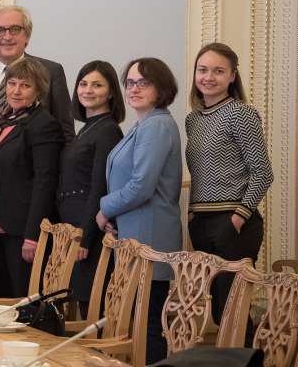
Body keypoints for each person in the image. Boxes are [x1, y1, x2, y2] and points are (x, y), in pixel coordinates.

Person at [97, 58, 182, 364]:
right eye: (130, 83)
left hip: (150, 236)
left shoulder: (157, 125)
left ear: (161, 87)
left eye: (143, 83)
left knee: (148, 327)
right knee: (140, 323)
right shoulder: (144, 124)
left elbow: (141, 186)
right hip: (135, 233)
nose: (134, 89)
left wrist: (104, 208)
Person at [185, 42, 272, 326]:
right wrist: (192, 216)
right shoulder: (193, 120)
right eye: (202, 70)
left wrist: (237, 218)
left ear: (232, 76)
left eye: (218, 71)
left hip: (233, 224)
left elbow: (263, 172)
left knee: (231, 312)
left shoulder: (240, 113)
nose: (208, 77)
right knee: (218, 313)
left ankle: (252, 351)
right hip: (201, 224)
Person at [0, 57, 64, 298]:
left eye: (25, 85)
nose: (16, 91)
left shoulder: (43, 124)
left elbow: (45, 182)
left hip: (21, 231)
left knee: (24, 300)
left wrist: (32, 236)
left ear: (38, 90)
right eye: (12, 83)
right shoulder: (5, 121)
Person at [56, 60, 124, 305]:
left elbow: (99, 186)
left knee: (91, 304)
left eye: (97, 85)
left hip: (89, 231)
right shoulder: (87, 128)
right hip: (73, 223)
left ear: (111, 92)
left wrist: (84, 237)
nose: (88, 90)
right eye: (83, 84)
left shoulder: (108, 130)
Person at [0, 6, 73, 141]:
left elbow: (66, 132)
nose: (7, 37)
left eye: (15, 29)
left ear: (27, 35)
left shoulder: (51, 71)